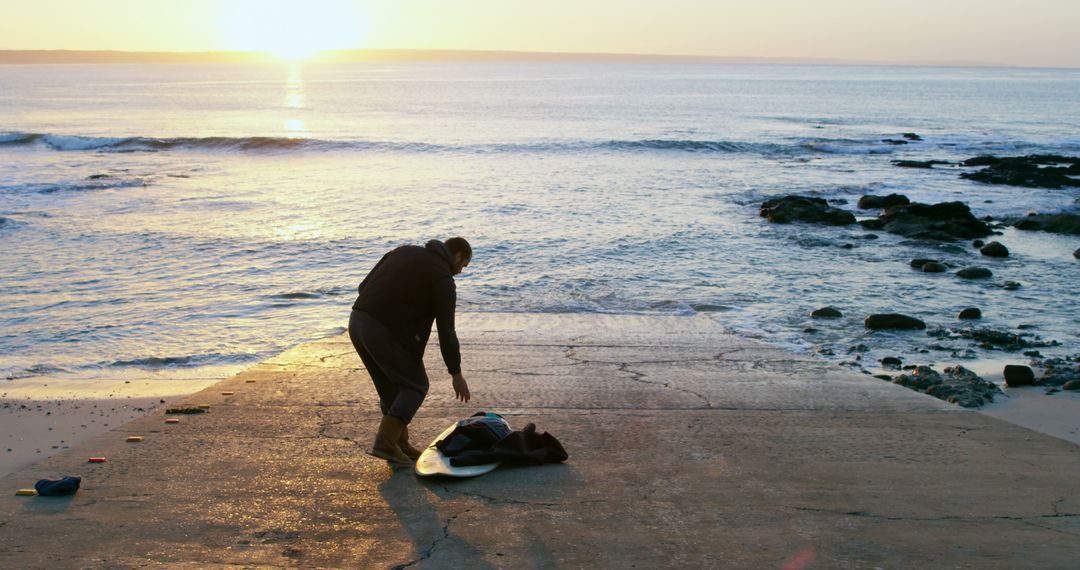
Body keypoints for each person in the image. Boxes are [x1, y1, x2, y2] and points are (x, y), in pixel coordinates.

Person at [348, 237, 472, 465]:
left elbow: (363, 287)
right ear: (456, 256)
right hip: (381, 330)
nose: (460, 272)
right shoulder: (443, 279)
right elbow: (447, 331)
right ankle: (385, 443)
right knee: (416, 385)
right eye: (463, 265)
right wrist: (456, 373)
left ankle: (398, 445)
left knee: (391, 389)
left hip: (357, 322)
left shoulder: (402, 251)